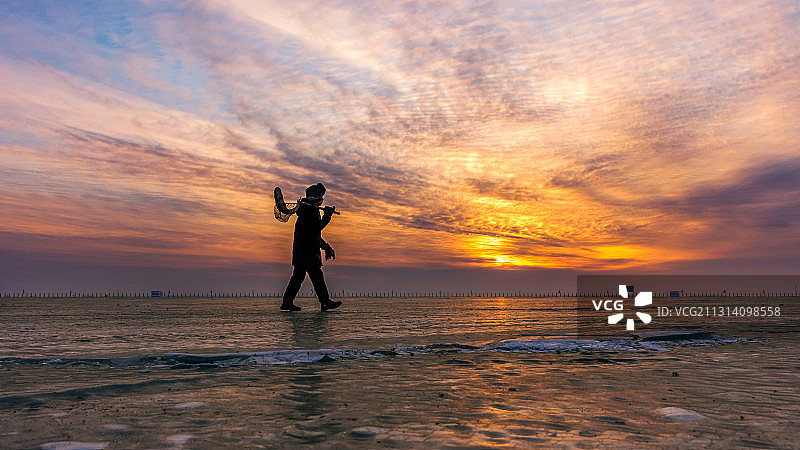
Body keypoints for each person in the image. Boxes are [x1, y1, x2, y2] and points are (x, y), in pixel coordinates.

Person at [281, 183, 342, 312]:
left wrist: (327, 248)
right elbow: (316, 230)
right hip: (307, 253)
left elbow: (314, 236)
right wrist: (327, 216)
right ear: (317, 197)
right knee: (316, 276)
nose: (322, 201)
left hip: (302, 252)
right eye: (321, 197)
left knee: (299, 277)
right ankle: (325, 302)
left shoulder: (306, 210)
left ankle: (287, 302)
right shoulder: (309, 211)